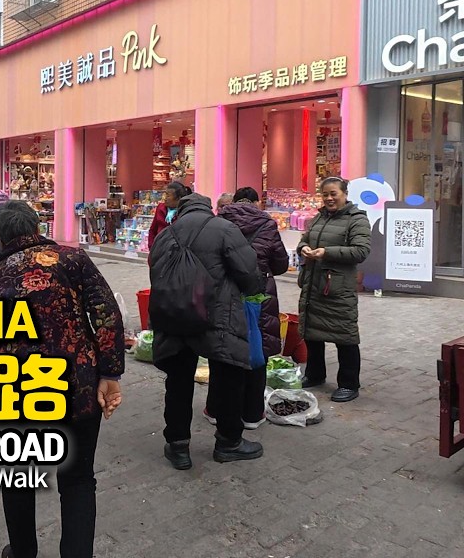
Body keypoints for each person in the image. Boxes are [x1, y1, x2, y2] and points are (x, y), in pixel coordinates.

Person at [0, 201, 124, 558]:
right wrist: (110, 373)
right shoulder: (72, 259)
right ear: (37, 225)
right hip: (77, 385)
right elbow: (106, 312)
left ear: (0, 236)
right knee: (77, 480)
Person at [150, 191, 264, 469]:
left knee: (178, 382)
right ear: (208, 208)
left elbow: (155, 270)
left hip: (175, 317)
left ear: (181, 211)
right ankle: (229, 442)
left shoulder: (166, 234)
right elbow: (249, 272)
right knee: (227, 380)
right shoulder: (225, 229)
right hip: (218, 316)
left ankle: (177, 446)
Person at [211, 187, 289, 428]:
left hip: (225, 292)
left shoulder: (218, 222)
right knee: (258, 349)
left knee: (223, 349)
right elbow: (281, 264)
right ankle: (252, 414)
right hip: (258, 291)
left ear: (233, 201)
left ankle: (215, 409)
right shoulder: (267, 224)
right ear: (257, 202)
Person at [297, 176, 372, 403]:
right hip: (313, 284)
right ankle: (315, 374)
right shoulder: (319, 216)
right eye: (325, 194)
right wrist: (305, 248)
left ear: (344, 194)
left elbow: (361, 251)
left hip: (338, 287)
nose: (329, 198)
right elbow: (304, 239)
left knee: (344, 336)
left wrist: (325, 252)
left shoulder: (356, 219)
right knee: (312, 332)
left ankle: (349, 384)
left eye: (334, 194)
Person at [146, 181, 190, 252]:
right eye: (164, 194)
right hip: (159, 250)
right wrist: (152, 248)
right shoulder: (160, 208)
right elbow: (152, 230)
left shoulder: (185, 212)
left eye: (168, 195)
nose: (164, 198)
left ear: (178, 198)